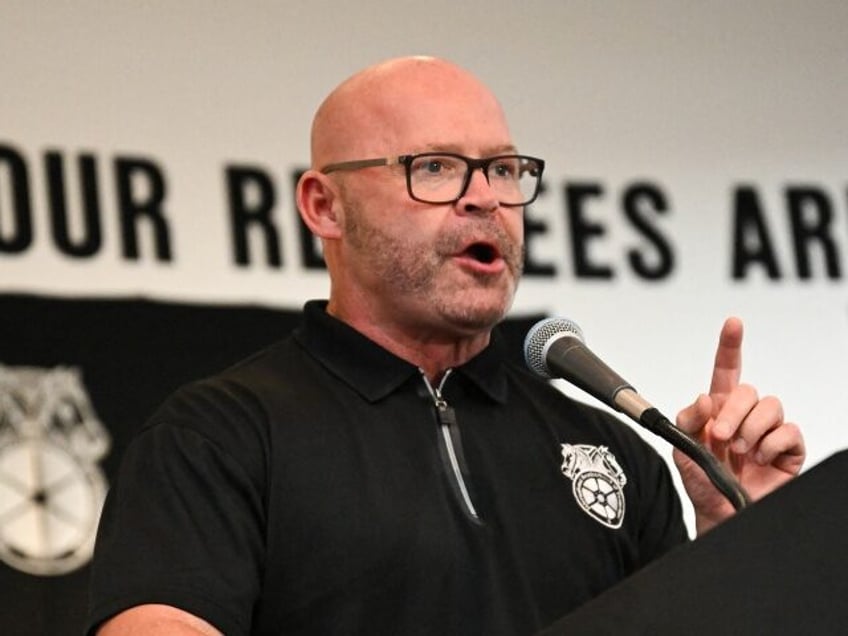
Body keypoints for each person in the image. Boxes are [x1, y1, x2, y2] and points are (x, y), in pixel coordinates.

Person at [86, 56, 805, 636]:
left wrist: (741, 546)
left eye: (501, 169)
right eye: (433, 167)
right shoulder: (219, 437)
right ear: (323, 206)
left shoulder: (612, 453)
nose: (484, 197)